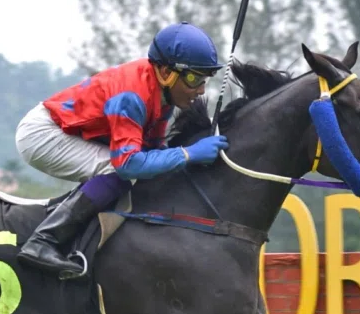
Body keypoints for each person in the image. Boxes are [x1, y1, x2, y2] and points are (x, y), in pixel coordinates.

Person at [14, 22, 231, 278]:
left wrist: (186, 158)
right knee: (119, 171)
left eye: (205, 79)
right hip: (43, 135)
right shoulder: (132, 95)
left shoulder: (163, 97)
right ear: (165, 72)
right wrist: (188, 154)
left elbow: (152, 150)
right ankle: (44, 241)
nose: (201, 90)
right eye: (194, 78)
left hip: (67, 131)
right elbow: (128, 163)